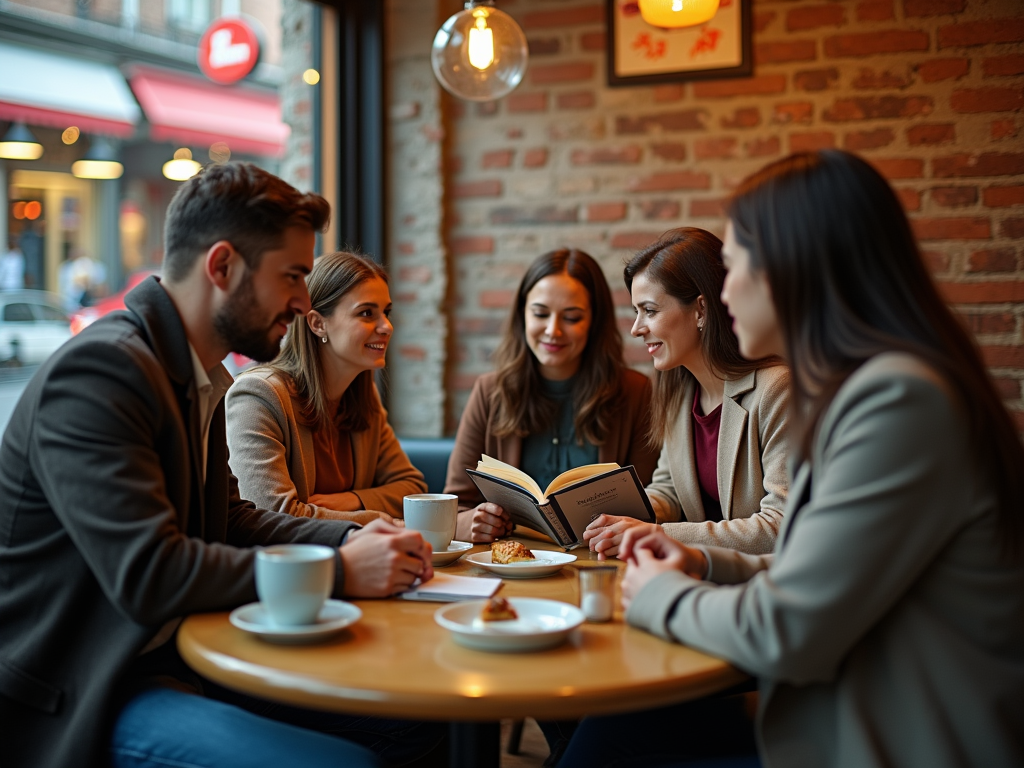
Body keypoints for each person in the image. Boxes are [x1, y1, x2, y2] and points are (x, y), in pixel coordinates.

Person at [561, 150, 1024, 768]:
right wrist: (698, 559)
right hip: (845, 719)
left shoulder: (898, 401)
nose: (726, 290)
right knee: (605, 730)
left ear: (796, 268)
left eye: (738, 262)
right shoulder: (869, 391)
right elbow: (814, 575)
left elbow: (791, 630)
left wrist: (658, 595)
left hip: (884, 742)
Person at [0, 163, 441, 768]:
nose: (302, 301)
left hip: (180, 655)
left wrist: (353, 535)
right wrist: (338, 570)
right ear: (223, 266)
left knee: (419, 715)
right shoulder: (103, 372)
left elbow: (233, 519)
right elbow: (150, 572)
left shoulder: (202, 374)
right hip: (87, 686)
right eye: (292, 276)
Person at [584, 228, 788, 558]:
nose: (636, 328)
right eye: (636, 312)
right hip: (698, 577)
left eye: (649, 311)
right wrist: (604, 518)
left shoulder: (776, 390)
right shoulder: (679, 391)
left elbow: (779, 526)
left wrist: (658, 534)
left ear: (701, 310)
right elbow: (669, 491)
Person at [443, 248, 659, 543]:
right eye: (540, 314)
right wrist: (473, 522)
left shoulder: (636, 393)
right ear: (522, 314)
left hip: (600, 564)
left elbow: (651, 505)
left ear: (594, 322)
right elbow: (454, 508)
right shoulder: (489, 392)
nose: (553, 330)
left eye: (571, 317)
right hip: (512, 564)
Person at [226, 251, 426, 525]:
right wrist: (380, 521)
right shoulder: (257, 397)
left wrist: (352, 500)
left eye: (386, 312)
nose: (387, 326)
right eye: (367, 313)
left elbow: (412, 487)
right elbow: (273, 516)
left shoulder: (362, 396)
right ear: (318, 323)